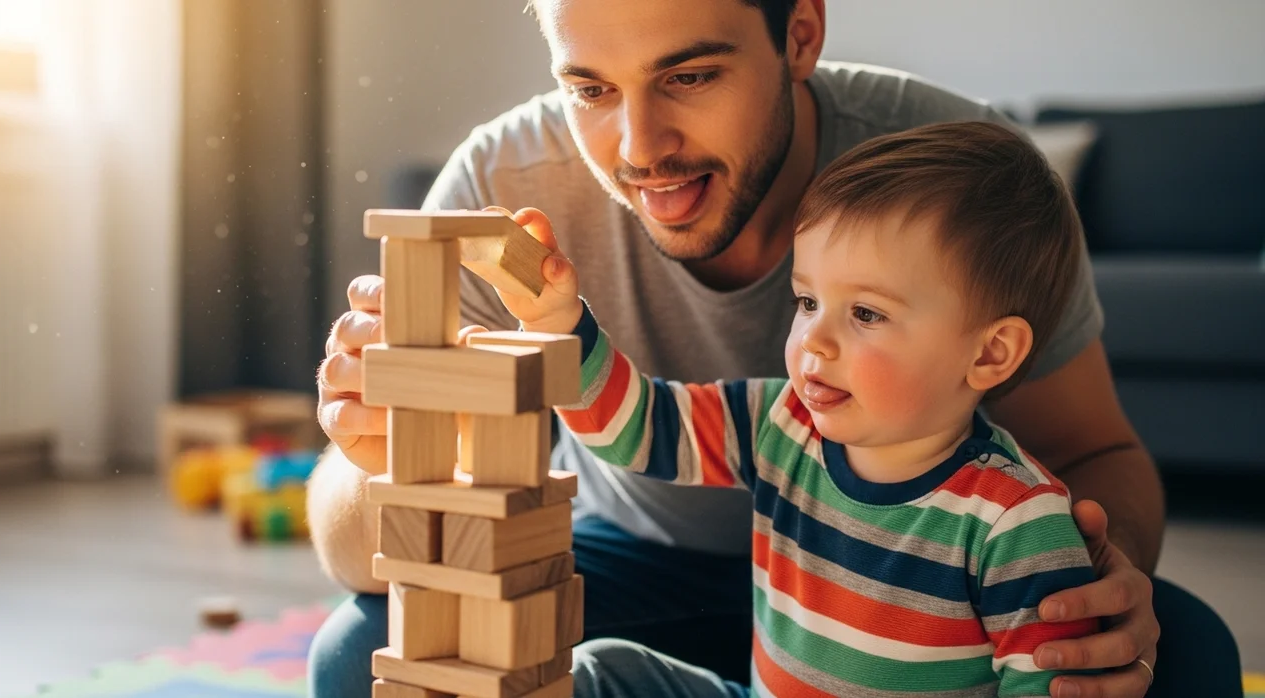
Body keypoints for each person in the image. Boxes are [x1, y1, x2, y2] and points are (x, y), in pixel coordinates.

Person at [308, 1, 1241, 697]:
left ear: (800, 33)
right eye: (589, 89)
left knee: (1182, 653)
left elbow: (1097, 452)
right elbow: (637, 420)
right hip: (628, 562)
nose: (641, 147)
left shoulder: (971, 186)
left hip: (928, 589)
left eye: (690, 76)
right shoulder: (502, 191)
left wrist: (1086, 586)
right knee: (375, 655)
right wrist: (383, 452)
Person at [478, 120, 1105, 697]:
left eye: (866, 313)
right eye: (807, 302)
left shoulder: (1015, 523)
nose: (815, 341)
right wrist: (556, 321)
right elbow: (636, 429)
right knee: (602, 671)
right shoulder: (779, 422)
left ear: (991, 353)